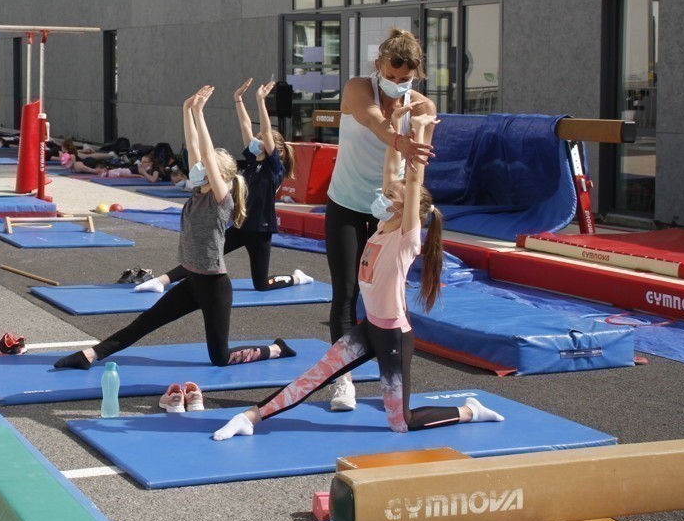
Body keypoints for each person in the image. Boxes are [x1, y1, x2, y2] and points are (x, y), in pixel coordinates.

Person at [212, 106, 504, 441]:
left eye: (391, 197)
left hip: (394, 336)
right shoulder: (382, 225)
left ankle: (469, 411)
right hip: (370, 328)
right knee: (316, 375)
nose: (382, 198)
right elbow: (393, 169)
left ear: (405, 207)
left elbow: (413, 180)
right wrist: (396, 130)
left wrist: (423, 131)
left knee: (400, 421)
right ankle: (251, 416)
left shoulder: (406, 237)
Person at [54, 86, 296, 371]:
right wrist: (188, 110)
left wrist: (202, 113)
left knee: (221, 358)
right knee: (144, 322)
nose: (198, 167)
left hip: (214, 287)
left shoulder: (221, 199)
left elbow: (205, 152)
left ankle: (275, 348)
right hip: (193, 281)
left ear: (217, 174)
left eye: (206, 166)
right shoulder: (198, 190)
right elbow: (195, 148)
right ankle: (89, 356)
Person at [321, 27, 437, 412]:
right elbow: (372, 119)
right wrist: (399, 138)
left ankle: (394, 374)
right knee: (347, 291)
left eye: (405, 79)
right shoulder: (358, 88)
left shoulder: (420, 105)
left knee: (390, 296)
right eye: (391, 75)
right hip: (347, 202)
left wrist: (416, 131)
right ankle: (343, 381)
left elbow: (420, 146)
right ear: (379, 66)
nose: (397, 83)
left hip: (389, 210)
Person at [136, 78, 311, 295]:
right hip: (240, 225)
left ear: (269, 147)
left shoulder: (274, 169)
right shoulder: (253, 159)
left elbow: (266, 131)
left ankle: (297, 278)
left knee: (261, 284)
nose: (254, 142)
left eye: (260, 141)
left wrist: (260, 101)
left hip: (260, 230)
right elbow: (246, 127)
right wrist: (237, 99)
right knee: (203, 255)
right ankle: (163, 280)